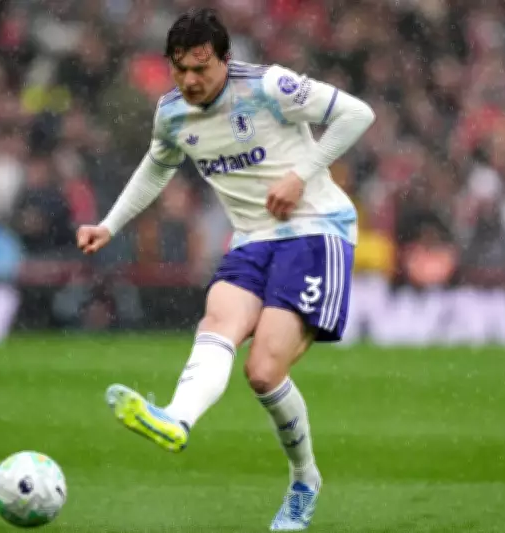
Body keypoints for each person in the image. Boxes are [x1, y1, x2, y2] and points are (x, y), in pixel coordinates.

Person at [76, 8, 374, 531]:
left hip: (315, 231)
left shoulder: (268, 86)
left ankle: (304, 479)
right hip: (252, 240)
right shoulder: (172, 114)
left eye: (201, 68)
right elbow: (156, 166)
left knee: (262, 373)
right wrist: (110, 224)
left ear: (225, 60)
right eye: (180, 69)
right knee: (217, 322)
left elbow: (358, 114)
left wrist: (301, 175)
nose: (190, 80)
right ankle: (176, 419)